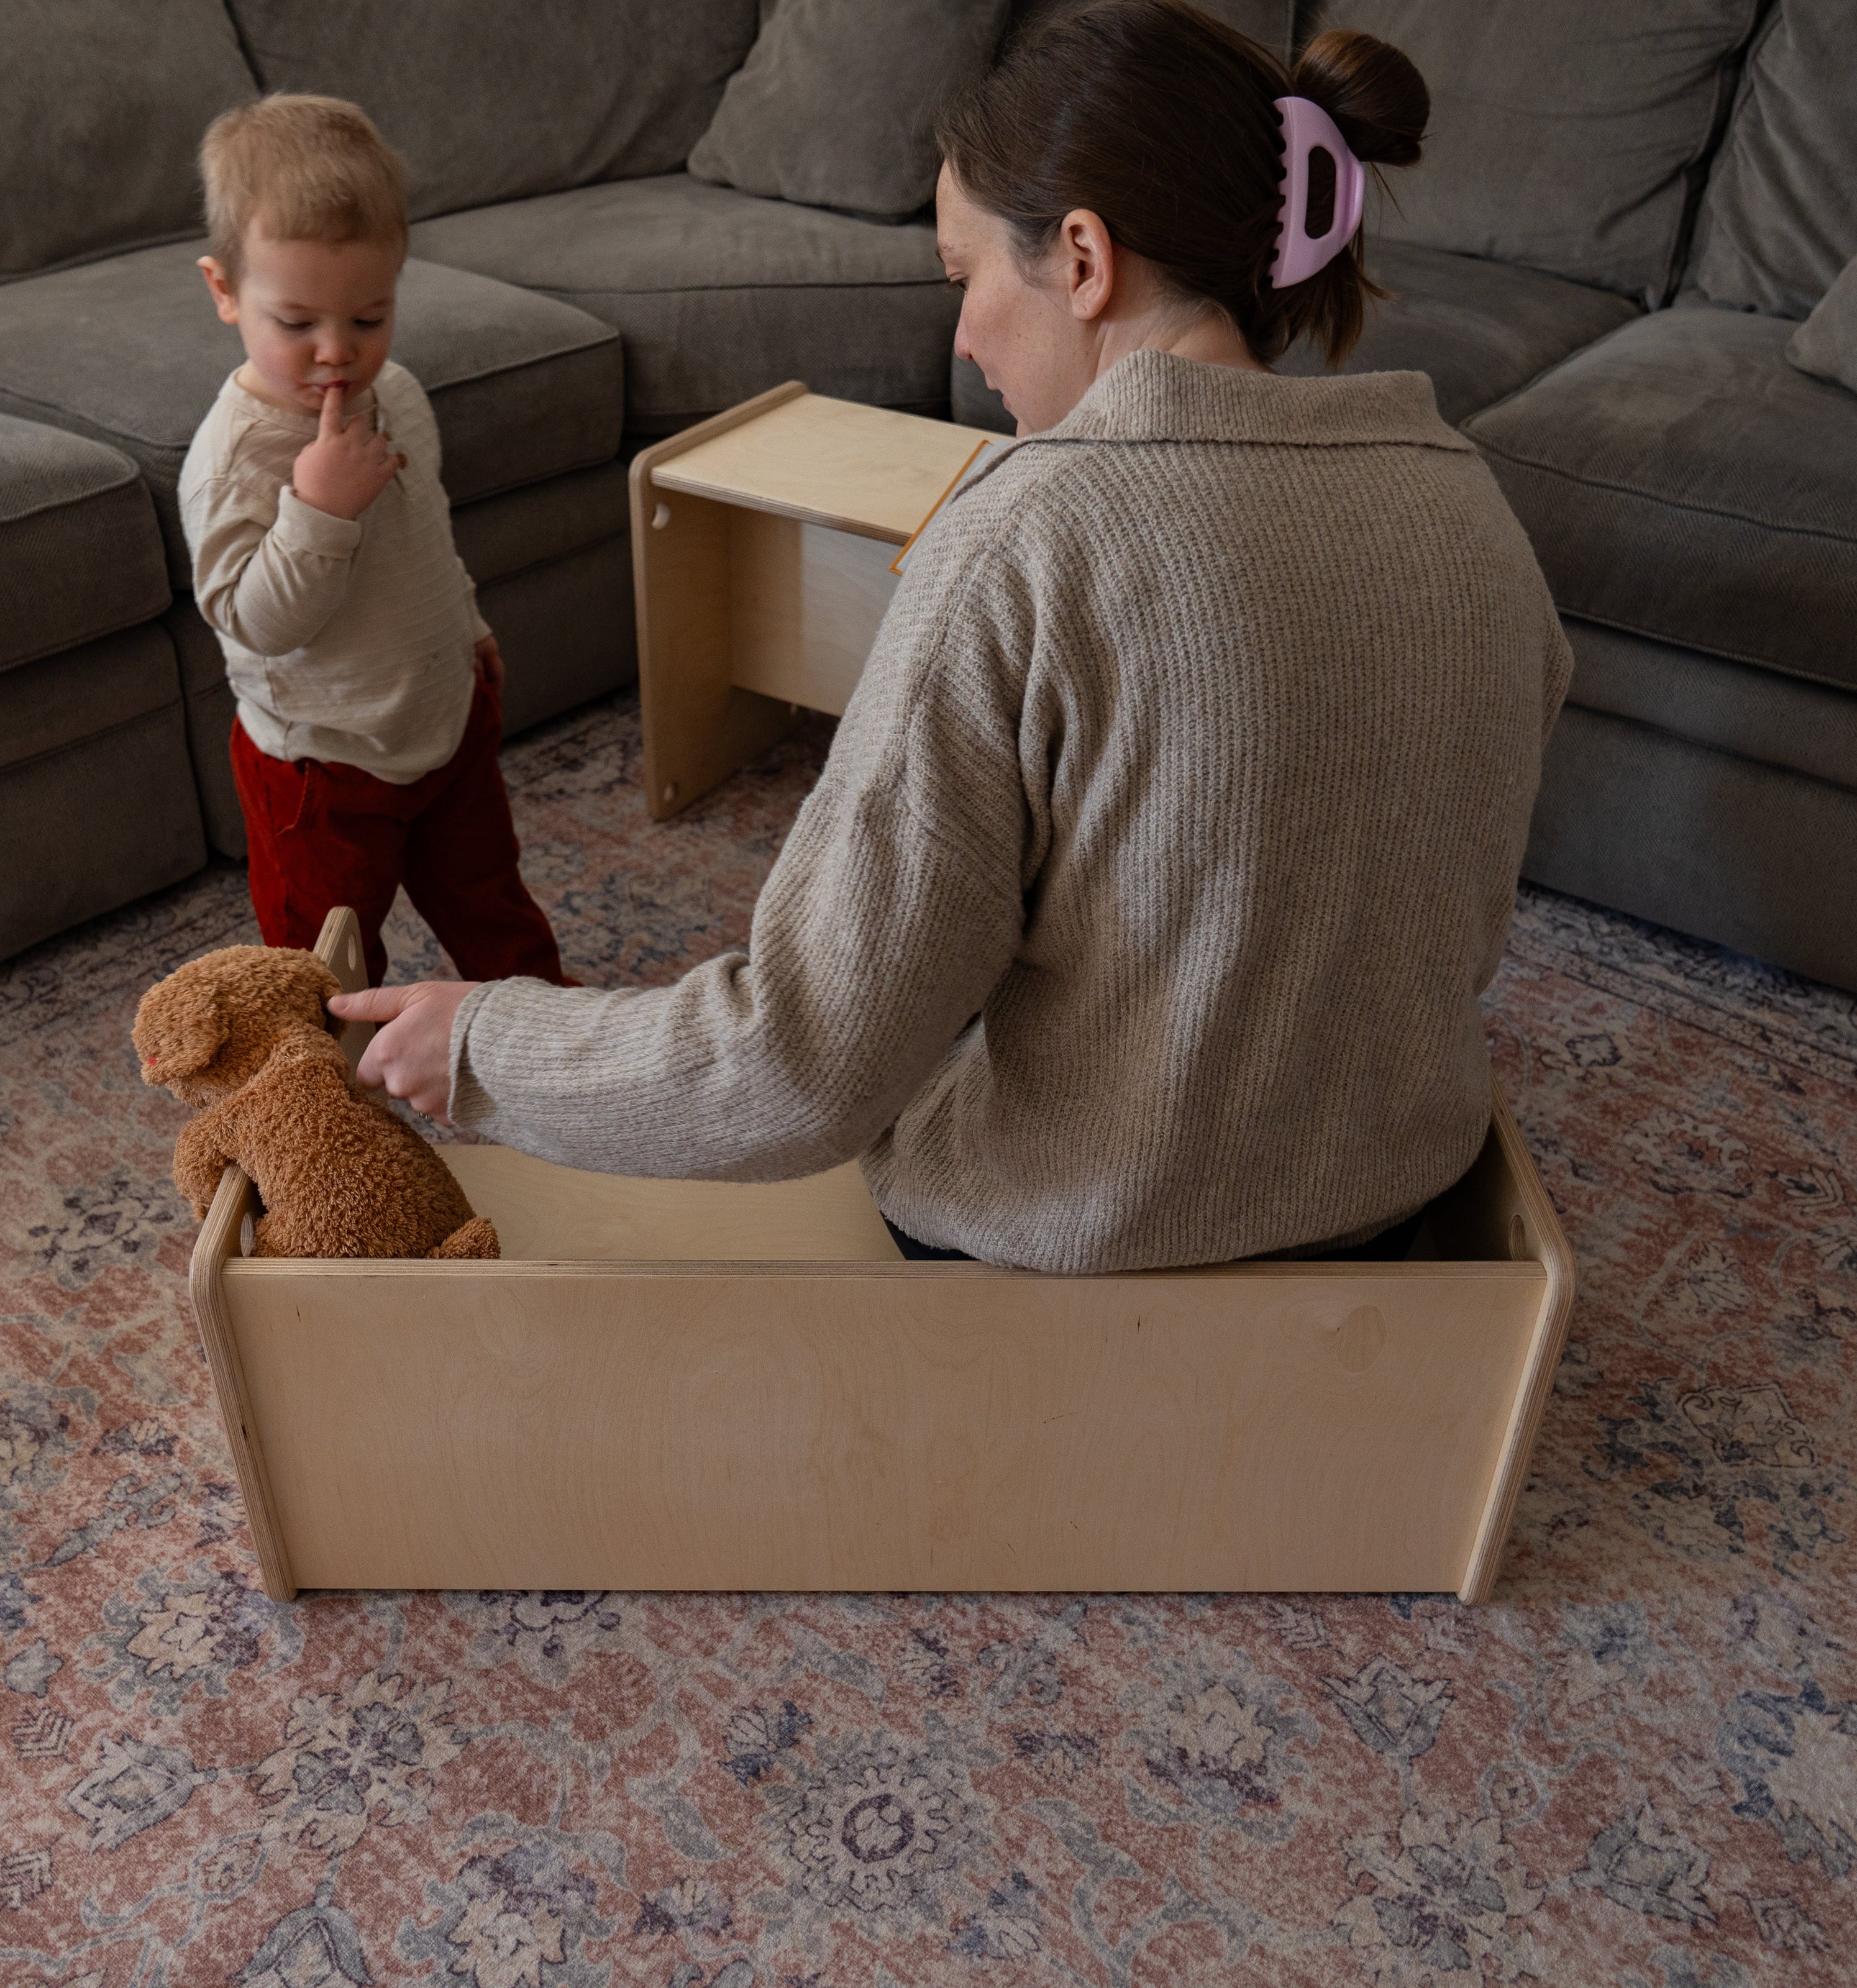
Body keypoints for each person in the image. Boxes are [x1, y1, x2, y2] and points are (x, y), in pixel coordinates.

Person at [335, 1, 1572, 1274]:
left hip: (1087, 1251)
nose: (966, 337)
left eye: (964, 276)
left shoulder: (1029, 532)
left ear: (1083, 259)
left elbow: (799, 1067)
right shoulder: (1465, 501)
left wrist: (486, 1043)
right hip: (1389, 1221)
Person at [181, 94, 568, 990]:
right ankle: (323, 1112)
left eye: (368, 318)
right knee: (322, 977)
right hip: (323, 767)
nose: (337, 353)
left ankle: (552, 1053)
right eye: (298, 323)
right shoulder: (236, 460)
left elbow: (426, 529)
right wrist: (319, 513)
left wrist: (467, 626)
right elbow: (252, 622)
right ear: (226, 292)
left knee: (493, 904)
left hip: (442, 716)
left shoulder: (397, 393)